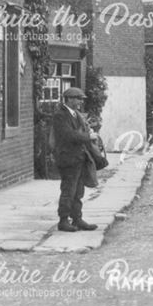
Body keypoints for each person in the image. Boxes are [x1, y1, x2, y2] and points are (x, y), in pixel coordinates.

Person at [47, 87, 98, 233]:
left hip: (79, 158)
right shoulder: (60, 115)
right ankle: (63, 221)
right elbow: (68, 135)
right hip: (67, 159)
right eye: (78, 98)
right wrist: (89, 137)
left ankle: (77, 219)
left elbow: (79, 132)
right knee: (68, 190)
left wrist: (89, 133)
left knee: (78, 191)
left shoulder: (76, 115)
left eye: (81, 99)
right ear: (69, 99)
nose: (81, 101)